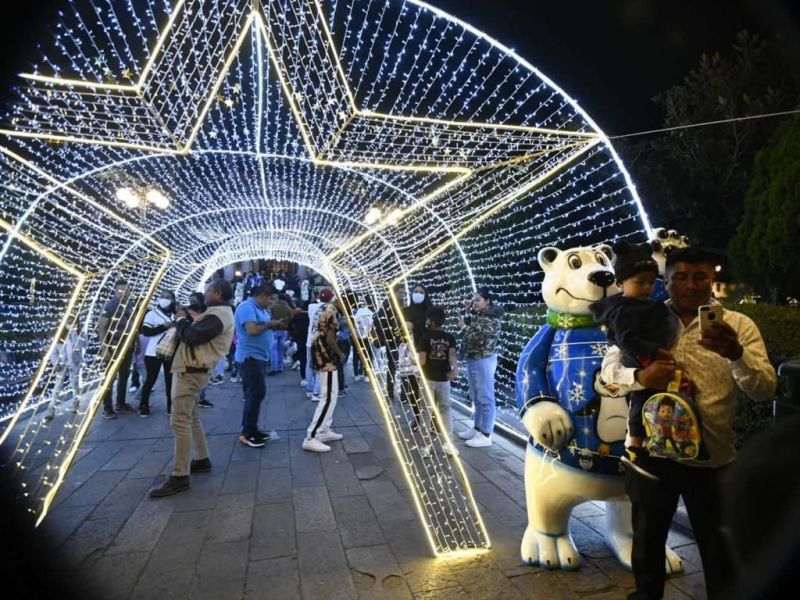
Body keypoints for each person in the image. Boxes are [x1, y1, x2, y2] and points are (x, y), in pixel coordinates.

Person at [600, 247, 777, 600]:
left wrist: (735, 354)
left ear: (712, 280)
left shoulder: (738, 326)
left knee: (718, 550)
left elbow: (765, 389)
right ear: (666, 282)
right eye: (680, 277)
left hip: (713, 458)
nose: (690, 285)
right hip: (651, 456)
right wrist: (641, 376)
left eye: (700, 276)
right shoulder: (640, 317)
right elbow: (606, 376)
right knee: (647, 546)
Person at [589, 241, 675, 478]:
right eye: (640, 282)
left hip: (647, 357)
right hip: (639, 359)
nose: (647, 287)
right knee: (641, 400)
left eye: (650, 282)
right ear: (620, 283)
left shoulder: (642, 306)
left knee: (652, 401)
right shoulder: (624, 310)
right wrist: (655, 353)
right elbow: (625, 340)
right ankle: (634, 447)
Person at [149, 279, 235, 498]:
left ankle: (180, 475)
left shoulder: (218, 315)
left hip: (191, 372)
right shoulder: (217, 313)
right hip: (194, 370)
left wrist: (180, 321)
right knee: (192, 417)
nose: (204, 294)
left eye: (207, 290)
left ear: (216, 293)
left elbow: (192, 337)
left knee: (179, 421)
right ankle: (202, 459)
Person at [235, 282, 285, 448]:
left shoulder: (260, 308)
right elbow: (252, 330)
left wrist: (272, 323)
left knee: (255, 394)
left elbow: (260, 327)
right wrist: (270, 324)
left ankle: (252, 428)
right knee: (256, 392)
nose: (271, 303)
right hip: (250, 357)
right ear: (262, 295)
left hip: (259, 357)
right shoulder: (246, 307)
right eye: (270, 299)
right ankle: (247, 433)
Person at [457, 287, 504, 448]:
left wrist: (464, 327)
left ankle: (486, 434)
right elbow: (470, 327)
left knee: (485, 397)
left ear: (487, 301)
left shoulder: (491, 318)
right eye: (473, 300)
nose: (474, 303)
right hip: (474, 358)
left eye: (477, 300)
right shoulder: (481, 315)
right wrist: (466, 310)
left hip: (483, 358)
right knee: (476, 396)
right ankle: (477, 428)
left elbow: (478, 338)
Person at [302, 291, 346, 453]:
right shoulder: (331, 311)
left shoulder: (324, 308)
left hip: (320, 355)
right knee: (327, 397)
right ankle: (311, 436)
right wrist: (340, 353)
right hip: (325, 357)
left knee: (332, 394)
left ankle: (324, 430)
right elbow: (330, 338)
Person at [418, 305, 459, 457]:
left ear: (431, 320)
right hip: (444, 379)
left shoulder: (425, 337)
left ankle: (425, 447)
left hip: (428, 378)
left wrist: (413, 361)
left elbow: (422, 360)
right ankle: (449, 445)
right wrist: (455, 369)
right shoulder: (450, 337)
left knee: (426, 411)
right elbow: (453, 355)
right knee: (445, 410)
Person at [96, 279, 136, 419]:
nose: (123, 292)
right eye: (120, 289)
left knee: (124, 376)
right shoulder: (110, 305)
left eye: (126, 289)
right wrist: (104, 348)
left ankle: (120, 404)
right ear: (115, 290)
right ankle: (107, 409)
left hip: (127, 347)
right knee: (109, 379)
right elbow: (102, 328)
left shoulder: (130, 305)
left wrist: (134, 343)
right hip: (113, 346)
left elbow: (132, 325)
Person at [137, 290, 176, 417]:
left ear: (173, 299)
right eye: (163, 296)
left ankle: (170, 406)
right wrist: (163, 327)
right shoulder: (152, 314)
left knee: (170, 380)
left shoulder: (175, 314)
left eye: (168, 297)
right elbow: (146, 331)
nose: (165, 299)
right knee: (150, 380)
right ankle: (143, 405)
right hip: (153, 352)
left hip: (170, 351)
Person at [399, 284, 431, 427]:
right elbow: (398, 332)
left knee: (427, 387)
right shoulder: (405, 311)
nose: (418, 294)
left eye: (421, 292)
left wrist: (416, 325)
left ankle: (429, 417)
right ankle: (417, 417)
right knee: (413, 387)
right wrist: (404, 328)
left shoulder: (430, 311)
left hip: (426, 352)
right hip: (410, 352)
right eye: (415, 292)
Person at [373, 283, 405, 400]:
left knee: (401, 365)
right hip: (391, 339)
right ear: (394, 292)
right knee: (393, 365)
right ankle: (391, 390)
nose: (402, 295)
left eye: (403, 293)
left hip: (401, 339)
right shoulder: (387, 304)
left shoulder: (402, 304)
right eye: (400, 292)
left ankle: (402, 393)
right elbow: (380, 321)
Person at [187, 292, 215, 409]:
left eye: (194, 301)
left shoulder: (208, 313)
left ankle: (201, 398)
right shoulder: (187, 313)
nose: (192, 303)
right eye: (191, 301)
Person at [268, 293, 293, 375]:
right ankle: (280, 366)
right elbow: (291, 318)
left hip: (274, 329)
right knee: (281, 349)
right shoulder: (288, 308)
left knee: (273, 349)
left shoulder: (273, 307)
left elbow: (269, 316)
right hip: (284, 330)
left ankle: (274, 367)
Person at [352, 298, 374, 382]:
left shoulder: (356, 313)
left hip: (357, 337)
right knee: (367, 356)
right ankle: (366, 375)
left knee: (355, 356)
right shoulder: (371, 313)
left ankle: (356, 374)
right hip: (367, 337)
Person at [289, 305, 309, 385]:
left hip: (300, 339)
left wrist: (293, 333)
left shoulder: (297, 316)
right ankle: (311, 377)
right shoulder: (311, 316)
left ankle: (303, 377)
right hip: (310, 339)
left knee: (303, 358)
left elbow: (290, 326)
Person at [336, 310, 352, 394]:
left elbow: (344, 335)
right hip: (345, 344)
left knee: (340, 366)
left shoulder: (342, 322)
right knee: (342, 365)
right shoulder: (346, 320)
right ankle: (343, 384)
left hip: (342, 344)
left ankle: (341, 387)